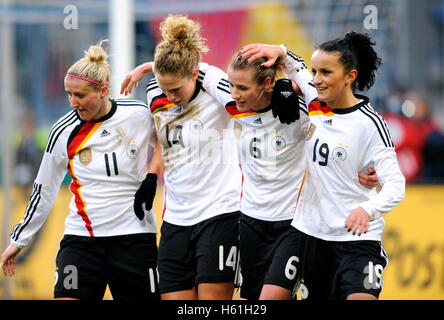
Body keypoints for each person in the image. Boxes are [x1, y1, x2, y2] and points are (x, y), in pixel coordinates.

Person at [122, 41, 380, 300]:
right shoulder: (232, 100)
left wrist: (284, 54)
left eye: (242, 87)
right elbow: (193, 69)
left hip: (294, 223)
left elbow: (343, 123)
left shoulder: (300, 109)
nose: (234, 93)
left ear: (266, 85)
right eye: (232, 86)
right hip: (251, 224)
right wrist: (150, 67)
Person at [239, 32, 405, 300]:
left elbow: (396, 184)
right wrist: (278, 49)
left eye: (326, 72)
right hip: (307, 232)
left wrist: (368, 209)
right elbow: (297, 68)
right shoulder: (314, 100)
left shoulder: (370, 124)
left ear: (350, 77)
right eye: (316, 71)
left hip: (356, 241)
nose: (316, 79)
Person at [1, 41, 160, 300]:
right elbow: (44, 190)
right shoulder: (63, 131)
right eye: (68, 94)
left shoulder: (139, 116)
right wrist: (19, 240)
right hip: (82, 240)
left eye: (80, 95)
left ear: (103, 91)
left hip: (134, 239)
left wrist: (153, 175)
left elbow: (170, 142)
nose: (73, 102)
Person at [121, 15, 242, 300]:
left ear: (193, 74)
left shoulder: (217, 90)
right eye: (165, 88)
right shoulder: (155, 91)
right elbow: (166, 135)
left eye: (176, 90)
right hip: (176, 218)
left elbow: (250, 96)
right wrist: (152, 174)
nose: (170, 95)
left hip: (220, 213)